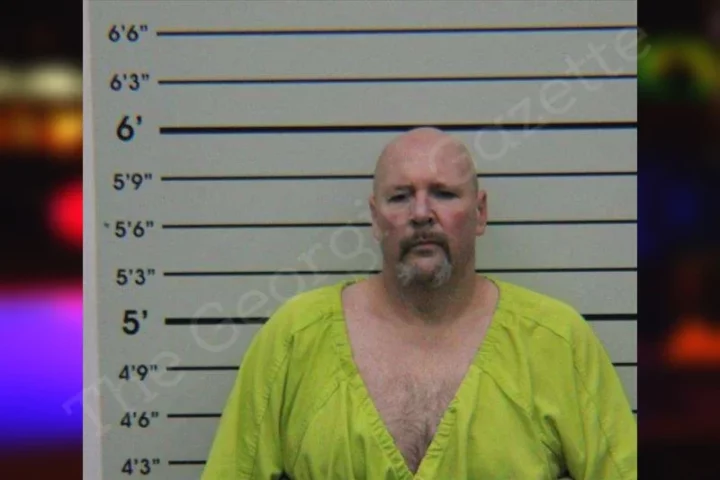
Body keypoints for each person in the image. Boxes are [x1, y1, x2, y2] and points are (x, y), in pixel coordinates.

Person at [201, 127, 637, 479]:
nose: (422, 213)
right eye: (400, 196)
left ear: (480, 212)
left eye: (444, 193)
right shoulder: (295, 338)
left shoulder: (556, 341)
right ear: (375, 218)